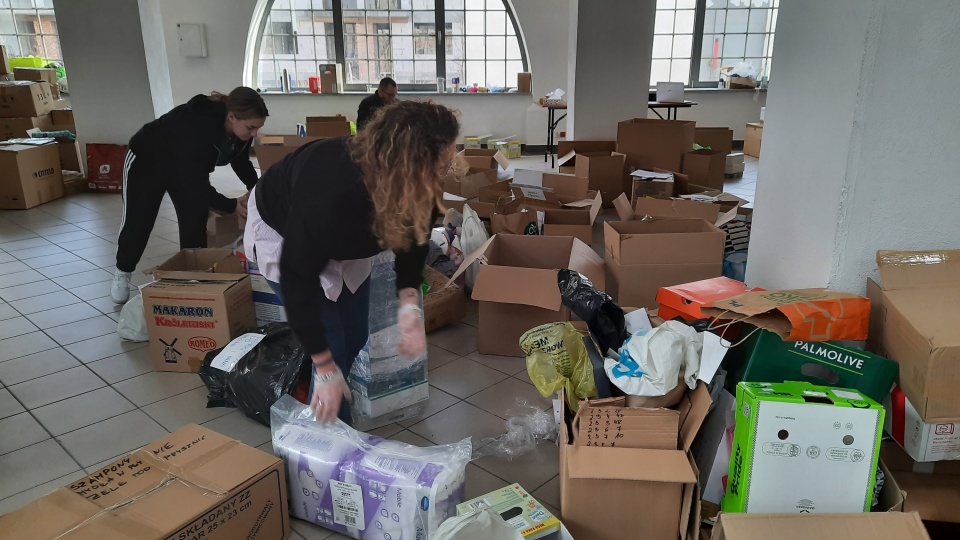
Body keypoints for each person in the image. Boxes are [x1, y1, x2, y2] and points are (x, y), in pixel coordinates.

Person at [244, 101, 460, 425]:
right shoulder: (329, 195)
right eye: (441, 164)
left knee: (356, 335)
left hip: (343, 236)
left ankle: (312, 381)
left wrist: (409, 306)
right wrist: (326, 367)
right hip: (285, 230)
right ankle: (334, 452)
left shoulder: (419, 182)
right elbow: (296, 281)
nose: (450, 167)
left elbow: (414, 242)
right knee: (333, 347)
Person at [111, 87, 268, 304]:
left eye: (257, 128)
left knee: (194, 218)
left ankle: (193, 275)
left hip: (185, 166)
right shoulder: (198, 124)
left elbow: (240, 161)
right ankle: (123, 271)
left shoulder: (242, 131)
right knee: (139, 220)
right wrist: (231, 206)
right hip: (147, 160)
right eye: (251, 128)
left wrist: (261, 190)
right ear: (231, 117)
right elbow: (195, 183)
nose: (254, 134)